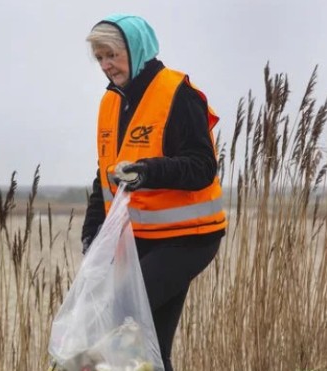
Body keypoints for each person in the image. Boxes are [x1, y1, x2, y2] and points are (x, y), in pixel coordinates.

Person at [81, 14, 227, 371]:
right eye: (99, 58)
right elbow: (106, 175)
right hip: (142, 240)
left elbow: (202, 167)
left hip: (189, 238)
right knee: (151, 349)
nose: (106, 66)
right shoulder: (110, 103)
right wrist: (92, 231)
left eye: (111, 55)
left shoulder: (178, 94)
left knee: (119, 318)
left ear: (135, 47)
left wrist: (149, 170)